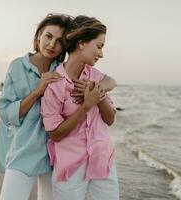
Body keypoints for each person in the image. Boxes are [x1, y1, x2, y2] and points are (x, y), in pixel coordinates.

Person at [0, 13, 117, 200]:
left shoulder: (61, 69)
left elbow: (108, 79)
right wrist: (37, 91)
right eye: (48, 36)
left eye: (59, 41)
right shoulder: (18, 67)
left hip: (54, 156)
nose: (52, 44)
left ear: (66, 44)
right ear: (38, 37)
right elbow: (6, 113)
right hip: (25, 149)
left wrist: (98, 89)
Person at [41, 15, 119, 200]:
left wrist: (97, 94)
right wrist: (86, 106)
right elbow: (55, 134)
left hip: (102, 158)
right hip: (70, 166)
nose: (101, 54)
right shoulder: (55, 83)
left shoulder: (96, 77)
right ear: (82, 42)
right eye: (99, 46)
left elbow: (110, 119)